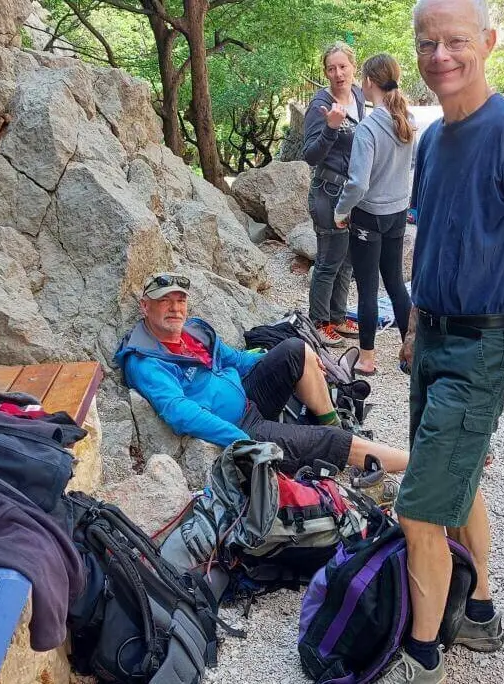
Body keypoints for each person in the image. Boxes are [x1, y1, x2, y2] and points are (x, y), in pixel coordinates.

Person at [386, 0, 504, 682]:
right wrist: (410, 325)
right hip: (432, 334)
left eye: (455, 41)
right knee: (452, 483)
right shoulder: (431, 139)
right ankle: (480, 611)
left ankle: (423, 655)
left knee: (418, 509)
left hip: (485, 343)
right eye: (428, 43)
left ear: (487, 42)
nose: (441, 56)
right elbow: (428, 236)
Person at [116, 272, 411, 481]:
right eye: (165, 301)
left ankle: (334, 421)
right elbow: (180, 412)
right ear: (145, 306)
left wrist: (291, 355)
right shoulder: (146, 361)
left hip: (247, 395)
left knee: (296, 348)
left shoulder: (193, 330)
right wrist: (241, 440)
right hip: (242, 425)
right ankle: (416, 465)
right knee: (331, 441)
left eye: (180, 301)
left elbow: (237, 360)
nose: (175, 308)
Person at [333, 53, 416, 377]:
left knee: (367, 287)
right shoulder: (406, 119)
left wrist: (342, 211)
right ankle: (410, 351)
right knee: (395, 281)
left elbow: (358, 182)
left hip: (369, 215)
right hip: (397, 212)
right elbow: (408, 167)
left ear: (368, 81)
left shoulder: (368, 128)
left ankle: (367, 359)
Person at [303, 42, 366, 347]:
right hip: (328, 192)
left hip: (352, 191)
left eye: (343, 66)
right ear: (325, 72)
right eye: (331, 68)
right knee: (329, 260)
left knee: (348, 259)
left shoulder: (358, 95)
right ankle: (318, 322)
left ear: (354, 66)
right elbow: (310, 156)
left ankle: (338, 316)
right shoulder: (319, 105)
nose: (338, 73)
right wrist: (330, 128)